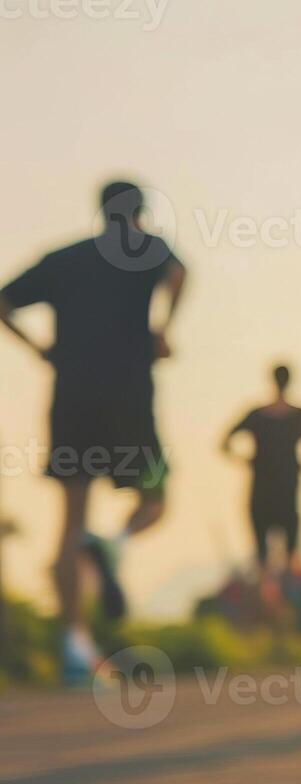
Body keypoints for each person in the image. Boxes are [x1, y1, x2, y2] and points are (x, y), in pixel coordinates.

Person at [0, 180, 187, 682]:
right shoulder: (148, 249)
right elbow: (180, 274)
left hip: (72, 401)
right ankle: (117, 542)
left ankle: (73, 649)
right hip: (129, 398)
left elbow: (2, 301)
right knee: (154, 498)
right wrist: (165, 328)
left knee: (69, 521)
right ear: (139, 214)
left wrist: (36, 348)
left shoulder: (63, 258)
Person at [221, 363, 301, 573]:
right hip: (287, 490)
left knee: (261, 556)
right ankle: (283, 599)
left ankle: (265, 599)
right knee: (290, 554)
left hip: (261, 490)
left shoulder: (258, 415)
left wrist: (245, 460)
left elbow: (224, 444)